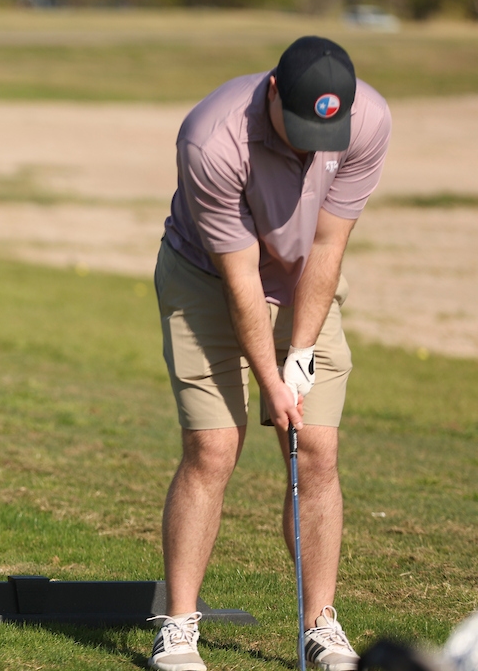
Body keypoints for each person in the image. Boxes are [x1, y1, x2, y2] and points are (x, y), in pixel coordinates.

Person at [148, 36, 391, 671]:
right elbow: (241, 279)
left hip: (306, 281)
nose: (312, 148)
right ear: (275, 92)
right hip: (207, 281)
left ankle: (320, 625)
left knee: (315, 451)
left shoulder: (368, 120)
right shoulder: (211, 138)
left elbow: (329, 246)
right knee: (212, 449)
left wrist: (301, 354)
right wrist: (270, 379)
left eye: (324, 134)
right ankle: (178, 626)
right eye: (302, 128)